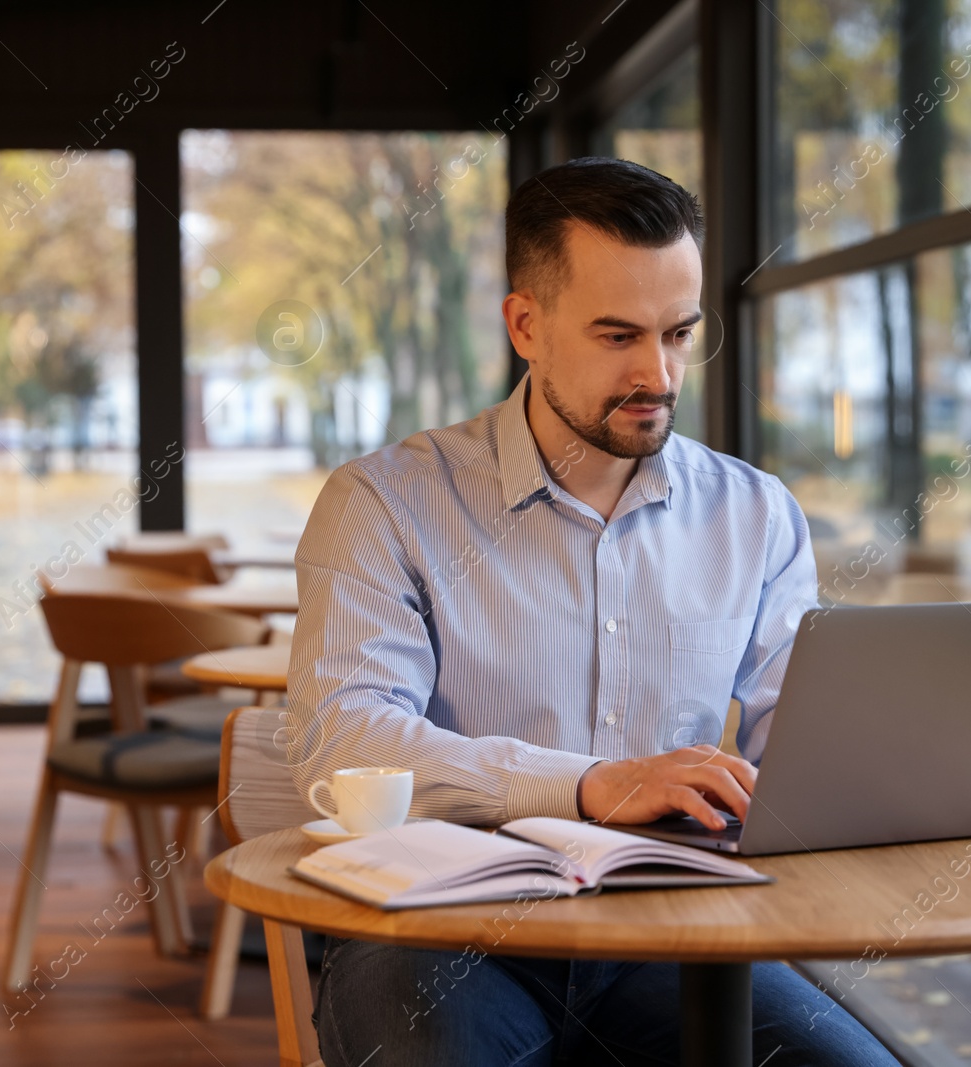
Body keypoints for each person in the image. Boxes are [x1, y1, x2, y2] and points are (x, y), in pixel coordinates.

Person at [287, 157, 898, 1066]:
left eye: (680, 333)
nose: (657, 373)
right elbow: (341, 739)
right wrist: (588, 783)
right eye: (618, 335)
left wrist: (865, 774)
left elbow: (798, 751)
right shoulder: (385, 501)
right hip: (435, 926)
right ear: (525, 325)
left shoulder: (755, 513)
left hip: (674, 931)